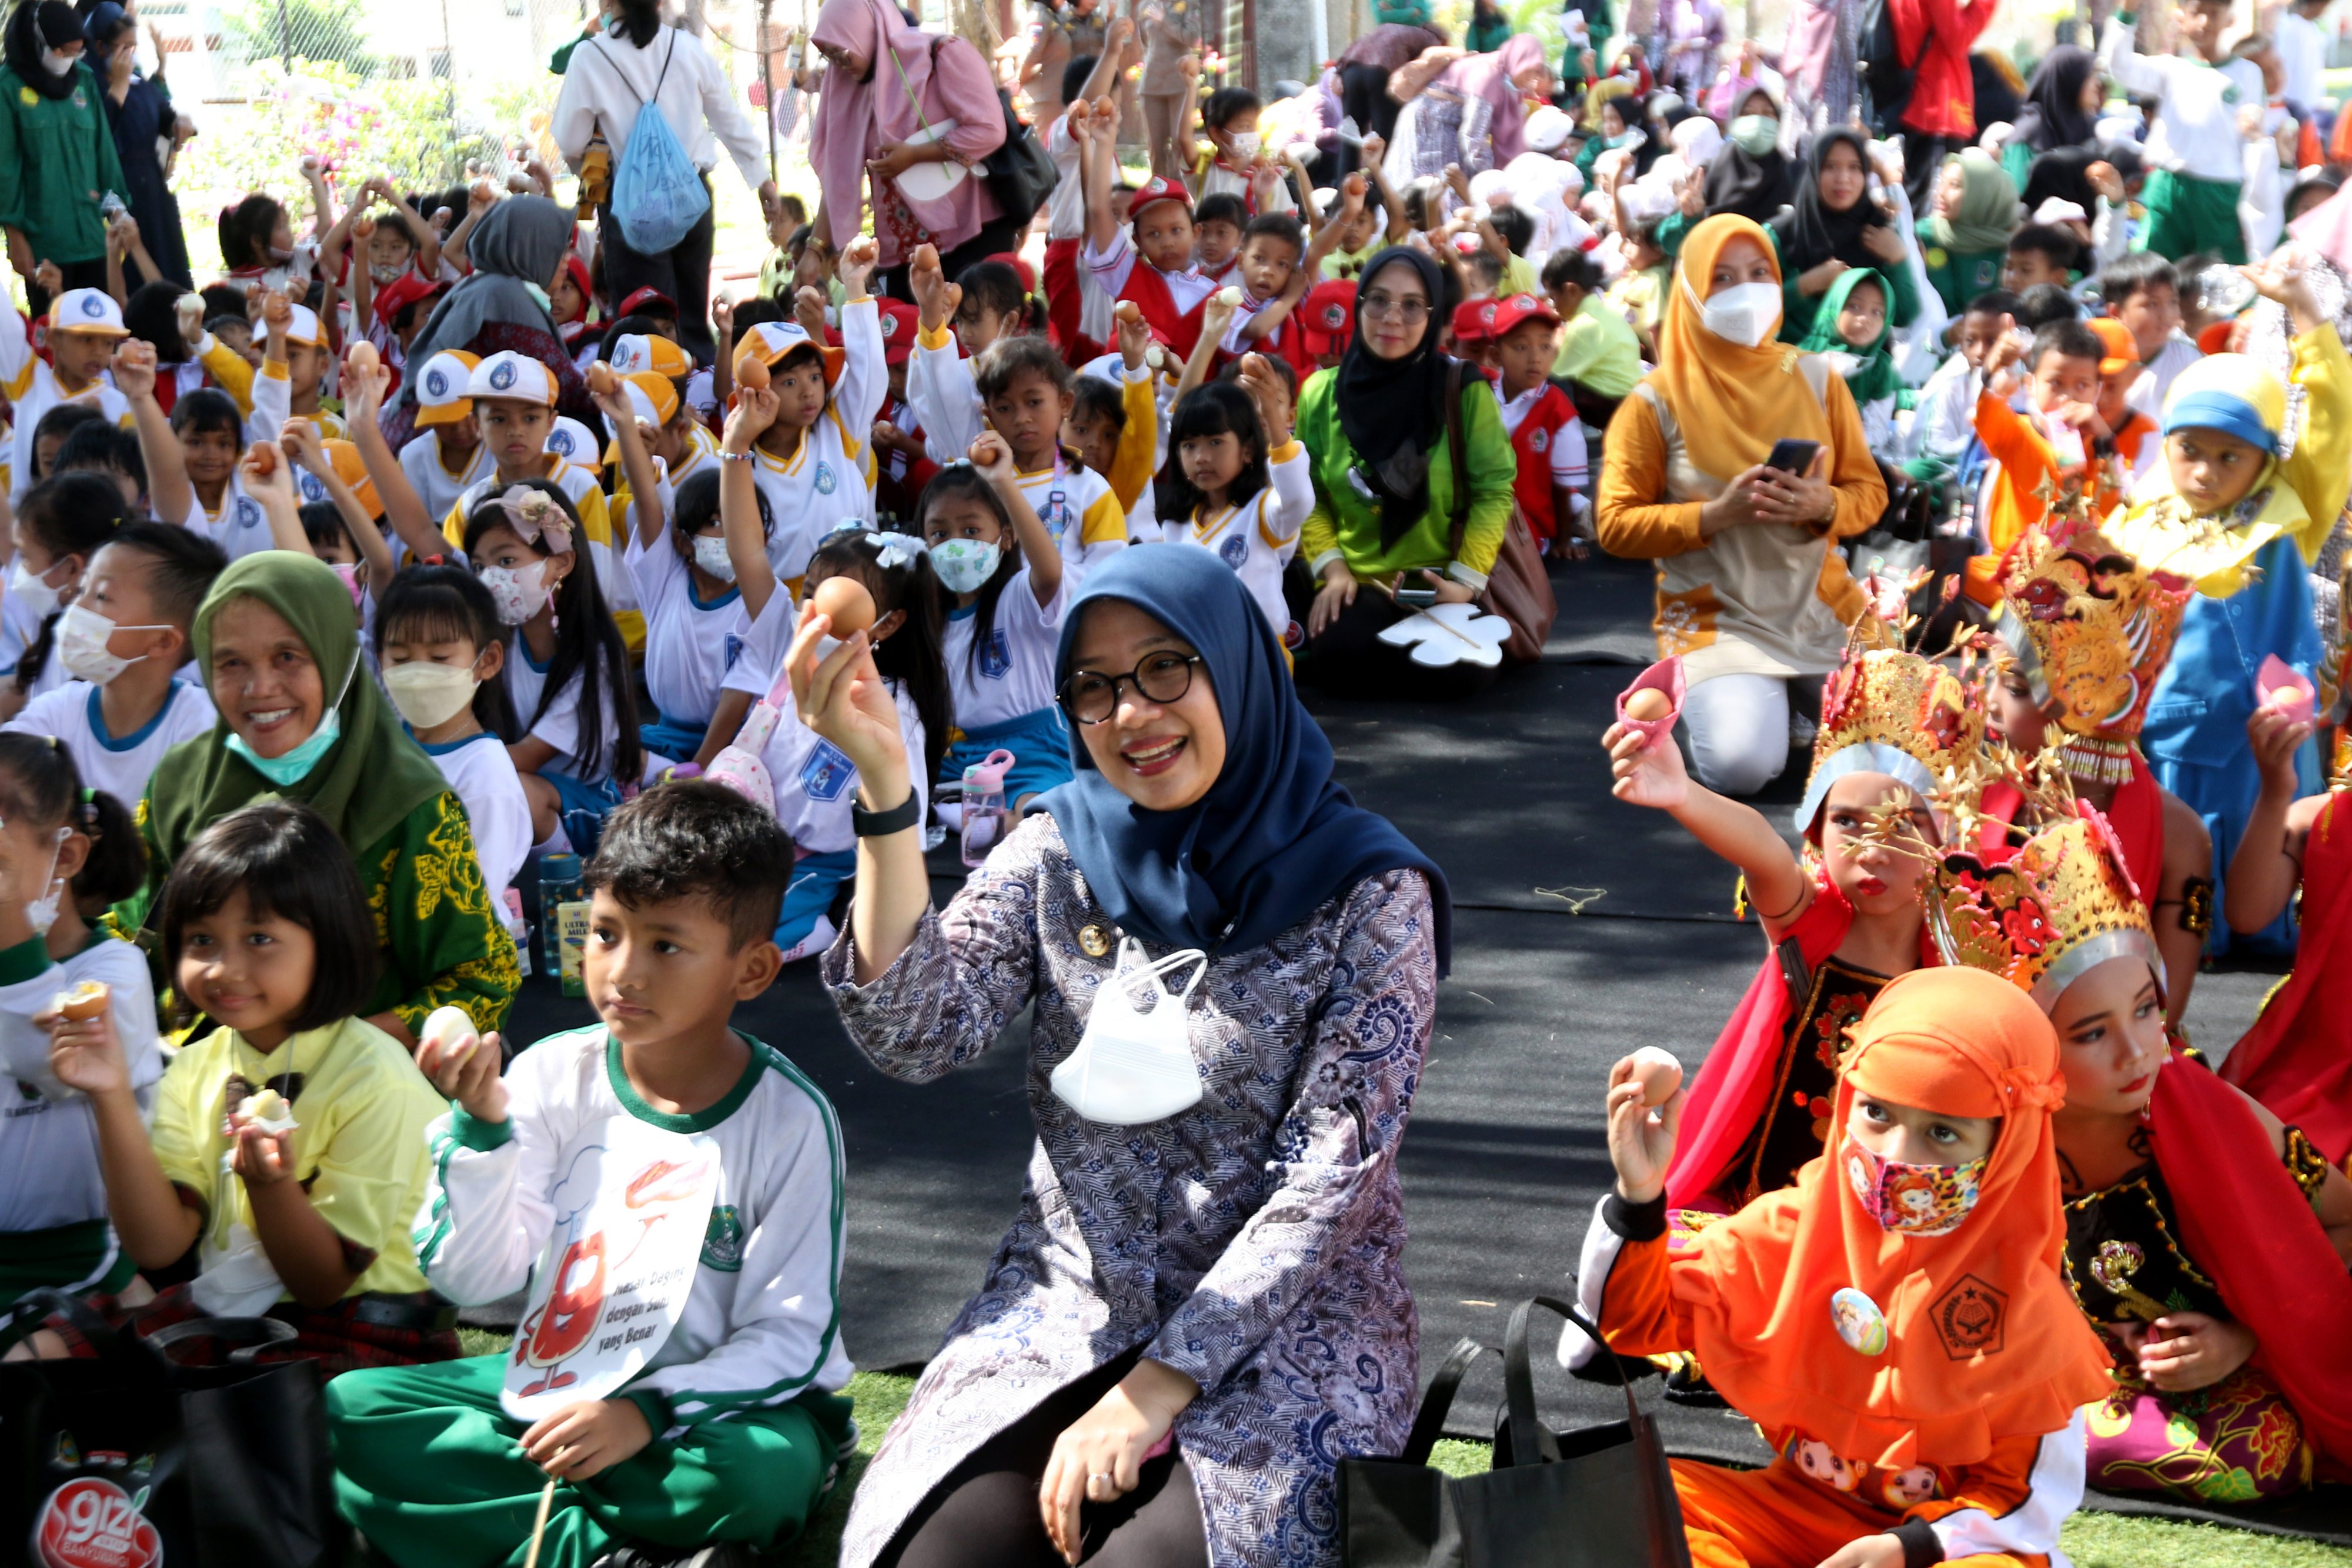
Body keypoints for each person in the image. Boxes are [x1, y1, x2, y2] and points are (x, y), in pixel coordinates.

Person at [806, 544, 1446, 1567]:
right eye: (1094, 688)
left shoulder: (1368, 891)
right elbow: (919, 1033)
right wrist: (886, 786)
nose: (1131, 714)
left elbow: (1332, 1179)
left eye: (1163, 668)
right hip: (1066, 1307)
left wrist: (1155, 1389)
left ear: (1236, 665)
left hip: (1291, 1339)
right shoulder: (1060, 849)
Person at [331, 782, 856, 1567]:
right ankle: (610, 1550)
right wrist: (482, 1129)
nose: (624, 971)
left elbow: (792, 1338)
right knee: (353, 1408)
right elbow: (476, 1277)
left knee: (756, 1472)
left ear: (751, 969)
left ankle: (510, 1517)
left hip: (716, 1408)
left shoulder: (791, 1120)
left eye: (665, 945)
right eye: (606, 933)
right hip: (561, 1384)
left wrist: (644, 1411)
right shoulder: (550, 1074)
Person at [1563, 968, 2115, 1567]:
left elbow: (2023, 1503)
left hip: (1940, 1547)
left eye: (1942, 1132)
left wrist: (1907, 1547)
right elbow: (1630, 1325)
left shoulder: (2030, 1313)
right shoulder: (1785, 1232)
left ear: (2004, 1149)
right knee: (1627, 1509)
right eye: (1877, 1113)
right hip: (1786, 1512)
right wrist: (1638, 1195)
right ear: (1847, 1101)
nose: (1896, 1157)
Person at [1925, 807, 2352, 1500]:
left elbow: (2343, 1221)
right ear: (2025, 1048)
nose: (2138, 1052)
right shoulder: (1988, 1136)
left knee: (2247, 1461)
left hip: (2238, 1379)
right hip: (2065, 1368)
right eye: (2092, 1034)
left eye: (2147, 1010)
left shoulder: (2213, 1114)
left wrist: (2239, 1337)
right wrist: (2078, 1336)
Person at [38, 799, 457, 1372]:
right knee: (38, 1353)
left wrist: (271, 1184)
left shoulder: (377, 1078)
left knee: (236, 1425)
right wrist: (108, 1094)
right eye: (202, 940)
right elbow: (159, 1246)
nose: (223, 969)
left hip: (363, 1328)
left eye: (259, 939)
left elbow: (321, 1285)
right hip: (232, 1307)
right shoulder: (195, 1064)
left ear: (328, 940)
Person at [1609, 643, 1981, 1216]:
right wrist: (1684, 796)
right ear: (1815, 832)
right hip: (1770, 1209)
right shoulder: (1813, 925)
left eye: (1902, 825)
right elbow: (1762, 854)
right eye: (1846, 822)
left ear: (1945, 838)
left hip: (1901, 1213)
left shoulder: (1967, 959)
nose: (1870, 850)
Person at [130, 550, 519, 1047]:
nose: (259, 687)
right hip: (191, 1085)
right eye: (231, 662)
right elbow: (129, 933)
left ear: (335, 657)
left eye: (288, 657)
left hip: (350, 1102)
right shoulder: (178, 781)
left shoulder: (410, 807)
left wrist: (324, 1057)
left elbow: (483, 982)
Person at [2108, 255, 2352, 957]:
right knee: (2173, 874)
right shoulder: (2137, 518)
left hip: (2265, 739)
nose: (2206, 472)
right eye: (2190, 450)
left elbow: (2330, 421)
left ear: (2264, 461)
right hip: (2169, 730)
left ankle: (2262, 929)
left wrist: (2304, 310)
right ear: (2168, 442)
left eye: (2229, 457)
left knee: (2260, 851)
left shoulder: (2289, 508)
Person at [1594, 213, 1887, 796]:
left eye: (1759, 272)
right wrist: (1713, 515)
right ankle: (1741, 701)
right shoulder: (1655, 401)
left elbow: (1868, 494)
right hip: (1718, 619)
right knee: (1741, 768)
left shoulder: (1814, 377)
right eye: (1723, 277)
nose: (1746, 290)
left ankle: (1798, 706)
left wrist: (1821, 503)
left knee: (1910, 745)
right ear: (1693, 290)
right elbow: (1614, 525)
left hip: (1819, 607)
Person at [1980, 523, 2207, 1031]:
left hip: (2121, 1065)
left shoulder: (2181, 836)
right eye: (1988, 674)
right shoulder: (1971, 797)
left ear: (2091, 703)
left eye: (2015, 687)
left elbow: (2165, 1014)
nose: (1987, 702)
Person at [714, 523, 946, 962]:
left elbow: (904, 806)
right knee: (709, 906)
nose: (820, 610)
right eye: (813, 591)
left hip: (822, 858)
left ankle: (819, 927)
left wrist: (906, 898)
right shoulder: (790, 662)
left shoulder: (891, 709)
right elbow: (745, 552)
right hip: (760, 838)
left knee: (746, 941)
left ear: (888, 623)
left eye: (840, 598)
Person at [1295, 247, 1514, 692]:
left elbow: (1494, 490)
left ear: (1433, 315)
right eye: (1378, 300)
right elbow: (1309, 492)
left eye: (1413, 305)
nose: (1392, 317)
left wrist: (1465, 584)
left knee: (1468, 670)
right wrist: (1332, 568)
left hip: (1431, 577)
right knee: (1339, 652)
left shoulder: (1463, 390)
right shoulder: (1320, 392)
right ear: (1359, 307)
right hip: (1357, 579)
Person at [0, 734, 155, 1308]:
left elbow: (57, 1063)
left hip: (77, 1267)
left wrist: (8, 912)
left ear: (64, 856)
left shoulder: (114, 970)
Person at [549, 0, 771, 366]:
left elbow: (571, 141)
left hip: (632, 206)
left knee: (645, 327)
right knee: (692, 318)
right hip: (692, 198)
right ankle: (702, 398)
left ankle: (653, 406)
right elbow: (729, 118)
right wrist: (763, 182)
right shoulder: (687, 47)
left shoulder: (590, 57)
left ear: (606, 3)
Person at [1, 522, 222, 808]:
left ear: (163, 641)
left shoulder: (200, 730)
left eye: (102, 596)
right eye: (82, 590)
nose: (77, 608)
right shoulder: (59, 711)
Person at [808, 0, 1012, 299]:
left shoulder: (943, 55)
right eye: (828, 55)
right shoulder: (851, 89)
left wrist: (915, 155)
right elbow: (839, 174)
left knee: (974, 337)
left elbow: (989, 130)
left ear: (865, 32)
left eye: (842, 51)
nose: (838, 63)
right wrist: (815, 248)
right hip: (903, 254)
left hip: (973, 236)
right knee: (912, 343)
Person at [373, 566, 530, 950]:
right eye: (401, 657)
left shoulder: (485, 772)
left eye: (439, 657)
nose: (418, 674)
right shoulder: (387, 745)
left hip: (454, 955)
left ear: (487, 661)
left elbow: (472, 897)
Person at [918, 438, 1072, 814]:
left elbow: (1050, 573)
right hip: (964, 755)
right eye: (940, 534)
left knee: (1032, 816)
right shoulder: (927, 619)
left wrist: (1004, 482)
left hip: (1035, 751)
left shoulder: (1020, 595)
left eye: (971, 531)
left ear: (1006, 537)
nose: (955, 547)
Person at [382, 198, 596, 452]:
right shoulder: (504, 297)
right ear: (528, 248)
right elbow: (563, 389)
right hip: (434, 452)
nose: (566, 262)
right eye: (558, 252)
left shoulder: (484, 285)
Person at [0, 1, 125, 319]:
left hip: (93, 238)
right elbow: (7, 169)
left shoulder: (82, 79)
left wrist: (119, 215)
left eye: (76, 53)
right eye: (63, 52)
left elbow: (103, 150)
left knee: (102, 331)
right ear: (39, 41)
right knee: (58, 335)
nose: (69, 61)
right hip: (46, 243)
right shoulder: (9, 87)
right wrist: (16, 238)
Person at [1769, 129, 1920, 345]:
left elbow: (1905, 316)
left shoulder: (1878, 230)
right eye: (1830, 167)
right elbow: (1754, 310)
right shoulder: (1782, 234)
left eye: (1855, 167)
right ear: (1813, 170)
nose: (1843, 178)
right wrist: (1806, 285)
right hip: (1794, 364)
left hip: (1862, 370)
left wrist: (1898, 260)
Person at [0, 474, 132, 721]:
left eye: (26, 558)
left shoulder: (89, 652)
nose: (19, 571)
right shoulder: (59, 622)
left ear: (71, 568)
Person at [82, 4, 188, 290]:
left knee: (169, 264)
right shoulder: (88, 86)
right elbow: (99, 137)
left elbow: (162, 115)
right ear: (101, 47)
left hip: (152, 188)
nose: (130, 54)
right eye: (123, 47)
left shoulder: (139, 84)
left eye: (134, 46)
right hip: (120, 192)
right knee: (136, 274)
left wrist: (179, 123)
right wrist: (117, 88)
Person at [1890, 0, 1997, 209]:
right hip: (1936, 106)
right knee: (1931, 208)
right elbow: (1958, 39)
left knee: (1915, 202)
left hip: (1919, 102)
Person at [1409, 36, 1550, 178]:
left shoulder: (1508, 81)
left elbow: (1512, 131)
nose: (1532, 78)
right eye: (1528, 70)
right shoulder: (1489, 75)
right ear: (1517, 62)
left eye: (1536, 72)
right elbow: (1473, 136)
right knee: (1441, 188)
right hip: (1433, 125)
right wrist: (1491, 176)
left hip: (1452, 131)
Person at [1796, 267, 1901, 450]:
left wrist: (1844, 449)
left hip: (1851, 455)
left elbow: (1876, 431)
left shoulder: (1879, 367)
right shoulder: (1803, 356)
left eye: (1877, 312)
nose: (1864, 319)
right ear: (1834, 306)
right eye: (1854, 306)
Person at [1919, 147, 2019, 319]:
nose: (1940, 193)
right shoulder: (1923, 236)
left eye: (1954, 186)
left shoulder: (2013, 246)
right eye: (1941, 182)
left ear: (1983, 195)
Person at [2002, 43, 2102, 190]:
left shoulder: (2083, 125)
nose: (2097, 84)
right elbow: (2022, 193)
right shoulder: (2031, 132)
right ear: (2069, 81)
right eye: (2088, 77)